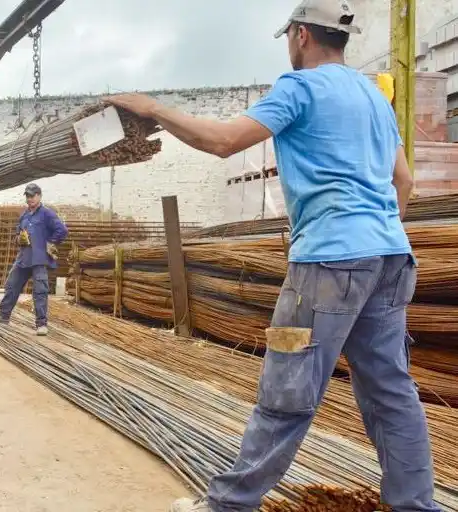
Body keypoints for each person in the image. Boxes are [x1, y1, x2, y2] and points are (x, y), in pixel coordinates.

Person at [105, 0, 439, 510]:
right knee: (392, 392)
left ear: (301, 35)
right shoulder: (374, 97)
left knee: (288, 386)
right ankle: (416, 505)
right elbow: (404, 181)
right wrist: (376, 231)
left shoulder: (299, 89)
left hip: (327, 264)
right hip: (392, 258)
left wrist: (155, 110)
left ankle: (228, 504)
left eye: (289, 37)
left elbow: (223, 142)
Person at [0, 183, 68, 336]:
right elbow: (17, 234)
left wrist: (51, 242)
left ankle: (41, 324)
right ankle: (3, 315)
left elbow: (62, 230)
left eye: (32, 196)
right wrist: (19, 239)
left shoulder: (47, 214)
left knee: (40, 291)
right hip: (24, 258)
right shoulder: (24, 215)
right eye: (27, 196)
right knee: (12, 285)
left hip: (39, 259)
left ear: (39, 196)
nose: (29, 199)